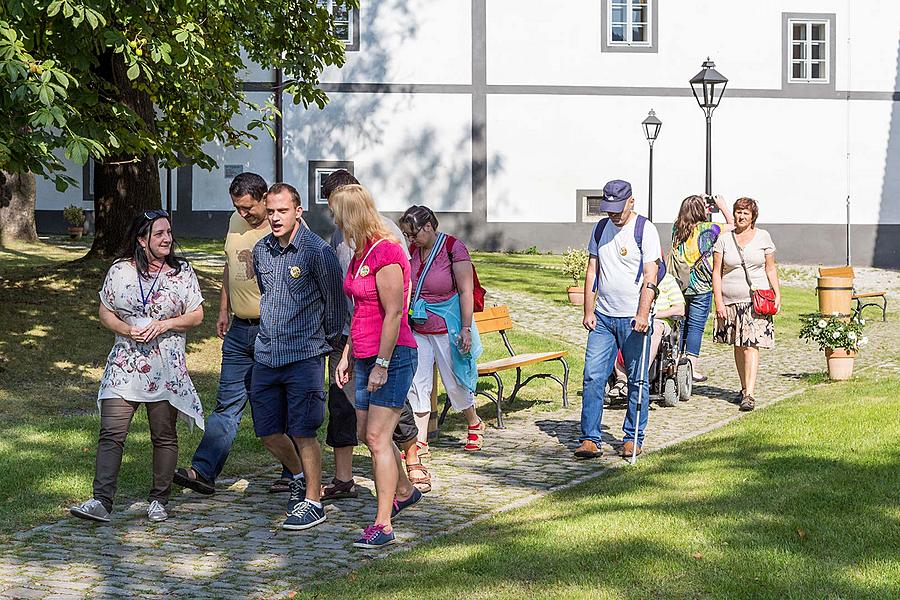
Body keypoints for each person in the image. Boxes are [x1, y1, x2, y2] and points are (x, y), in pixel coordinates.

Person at [70, 210, 204, 523]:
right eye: (159, 234)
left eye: (168, 232)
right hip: (125, 363)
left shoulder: (181, 272)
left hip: (165, 366)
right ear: (142, 240)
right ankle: (101, 501)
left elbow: (197, 315)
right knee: (111, 433)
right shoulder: (120, 270)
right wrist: (126, 329)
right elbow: (105, 312)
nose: (167, 239)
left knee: (163, 434)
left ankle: (159, 499)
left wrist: (164, 324)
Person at [172, 172, 296, 497]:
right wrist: (224, 308)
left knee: (276, 403)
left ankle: (293, 472)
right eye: (237, 208)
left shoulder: (282, 226)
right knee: (226, 404)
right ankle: (203, 471)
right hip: (240, 329)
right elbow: (229, 265)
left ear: (265, 198)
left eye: (248, 208)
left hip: (274, 331)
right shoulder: (234, 220)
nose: (243, 214)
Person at [320, 169, 423, 498]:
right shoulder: (355, 248)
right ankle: (405, 491)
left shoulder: (386, 246)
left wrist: (382, 360)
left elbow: (395, 308)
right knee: (368, 432)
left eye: (337, 214)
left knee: (380, 434)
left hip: (388, 349)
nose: (334, 223)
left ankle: (385, 515)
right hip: (359, 346)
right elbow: (359, 306)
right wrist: (348, 353)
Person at [250, 183, 345, 530]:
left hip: (304, 356)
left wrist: (325, 342)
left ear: (298, 212)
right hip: (266, 356)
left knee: (304, 431)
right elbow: (266, 293)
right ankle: (296, 474)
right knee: (267, 431)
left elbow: (335, 307)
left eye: (282, 211)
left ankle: (313, 500)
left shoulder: (317, 253)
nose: (275, 218)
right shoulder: (262, 251)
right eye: (271, 211)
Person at [574, 179, 662, 460]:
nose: (612, 213)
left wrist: (643, 313)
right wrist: (589, 310)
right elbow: (592, 270)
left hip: (633, 318)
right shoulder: (600, 229)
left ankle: (633, 437)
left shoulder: (645, 230)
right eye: (608, 208)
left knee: (637, 380)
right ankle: (590, 438)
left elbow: (651, 275)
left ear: (631, 202)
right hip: (603, 318)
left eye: (617, 208)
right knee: (592, 376)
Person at [399, 205, 485, 464]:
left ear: (428, 226)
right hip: (420, 327)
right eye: (407, 235)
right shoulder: (413, 251)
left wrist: (467, 328)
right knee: (418, 384)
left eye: (414, 234)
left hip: (447, 327)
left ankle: (474, 422)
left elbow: (466, 291)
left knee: (454, 381)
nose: (410, 240)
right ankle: (421, 440)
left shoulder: (453, 248)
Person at [712, 197, 780, 412]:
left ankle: (750, 393)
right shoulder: (723, 239)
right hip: (731, 300)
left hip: (755, 300)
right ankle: (743, 387)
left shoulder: (763, 237)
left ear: (753, 217)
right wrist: (719, 302)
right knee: (739, 345)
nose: (741, 217)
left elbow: (770, 268)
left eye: (745, 213)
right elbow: (716, 273)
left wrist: (777, 293)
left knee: (751, 345)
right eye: (738, 212)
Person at [669, 194, 734, 382]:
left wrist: (697, 200)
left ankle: (674, 362)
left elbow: (686, 215)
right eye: (705, 207)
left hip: (679, 285)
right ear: (700, 211)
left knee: (679, 325)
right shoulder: (709, 229)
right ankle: (690, 368)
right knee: (695, 328)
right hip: (701, 286)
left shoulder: (677, 228)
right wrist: (721, 206)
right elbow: (734, 226)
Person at [608, 272, 685, 399]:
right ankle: (621, 378)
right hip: (633, 319)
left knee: (654, 329)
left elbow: (680, 308)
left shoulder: (668, 280)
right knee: (617, 329)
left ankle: (639, 376)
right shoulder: (633, 276)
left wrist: (654, 314)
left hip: (659, 321)